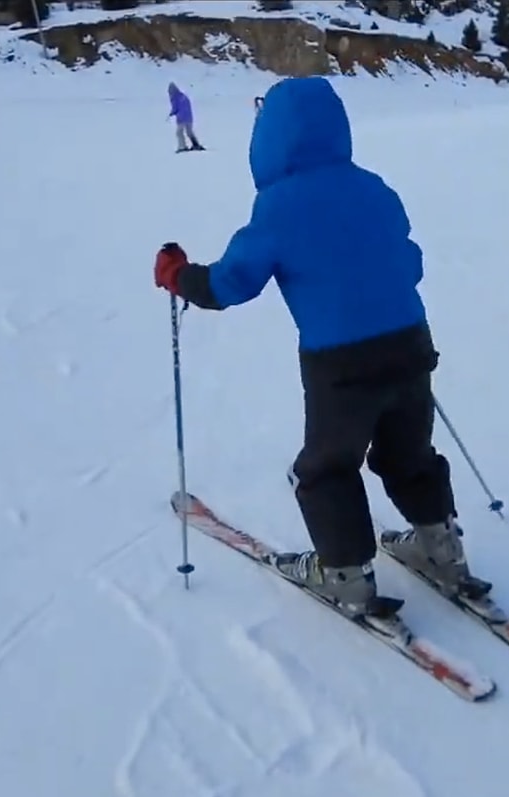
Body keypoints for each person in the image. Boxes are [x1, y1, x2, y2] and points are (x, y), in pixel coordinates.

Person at [154, 76, 487, 619]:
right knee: (410, 457)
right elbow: (411, 264)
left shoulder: (278, 207)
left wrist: (177, 275)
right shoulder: (375, 187)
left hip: (341, 363)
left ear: (270, 139)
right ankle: (444, 551)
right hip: (410, 345)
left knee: (328, 467)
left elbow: (229, 285)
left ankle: (347, 576)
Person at [167, 82, 205, 153]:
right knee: (189, 132)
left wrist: (171, 113)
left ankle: (182, 146)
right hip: (189, 118)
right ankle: (195, 144)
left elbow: (175, 108)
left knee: (179, 133)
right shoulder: (183, 96)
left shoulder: (175, 98)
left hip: (181, 118)